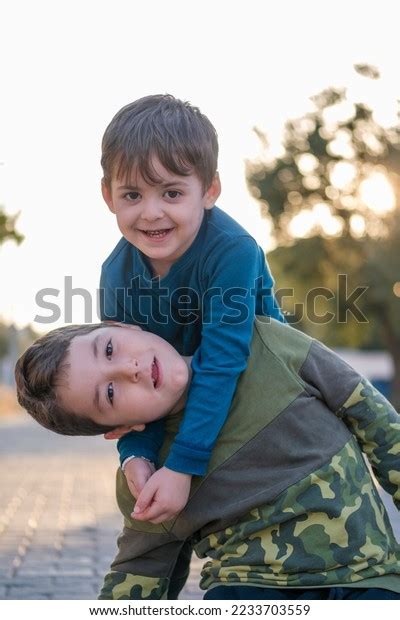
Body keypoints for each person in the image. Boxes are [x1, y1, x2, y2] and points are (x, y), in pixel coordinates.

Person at [15, 318, 400, 600]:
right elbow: (141, 570)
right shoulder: (147, 479)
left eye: (110, 349)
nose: (128, 369)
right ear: (120, 429)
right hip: (250, 589)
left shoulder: (265, 342)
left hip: (372, 577)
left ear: (126, 326)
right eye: (110, 393)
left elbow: (378, 424)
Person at [98, 93, 285, 524]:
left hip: (264, 394)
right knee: (138, 496)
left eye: (171, 192)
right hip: (184, 399)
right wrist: (135, 456)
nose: (151, 212)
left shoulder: (233, 250)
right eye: (132, 194)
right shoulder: (115, 273)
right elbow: (129, 380)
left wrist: (182, 466)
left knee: (213, 490)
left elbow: (224, 361)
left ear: (209, 191)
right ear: (108, 196)